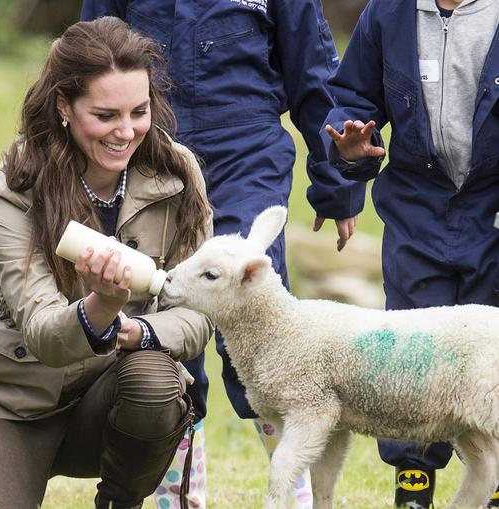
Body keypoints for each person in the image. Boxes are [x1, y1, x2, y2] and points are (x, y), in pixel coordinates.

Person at [0, 17, 214, 509]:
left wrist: (142, 332)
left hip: (115, 398)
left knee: (154, 378)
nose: (126, 131)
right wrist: (102, 307)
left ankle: (119, 502)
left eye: (139, 111)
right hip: (18, 400)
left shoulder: (177, 173)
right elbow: (43, 330)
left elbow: (200, 309)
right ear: (64, 106)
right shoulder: (16, 185)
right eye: (105, 115)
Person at [81, 2, 366, 508]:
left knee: (258, 318)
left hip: (248, 153)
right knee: (161, 323)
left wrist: (335, 184)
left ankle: (294, 495)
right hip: (151, 153)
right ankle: (177, 498)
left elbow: (314, 76)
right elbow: (91, 56)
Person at [322, 0, 499, 507]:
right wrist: (351, 145)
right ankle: (412, 482)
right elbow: (352, 98)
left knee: (491, 352)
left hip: (492, 207)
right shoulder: (389, 14)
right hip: (418, 208)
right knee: (413, 347)